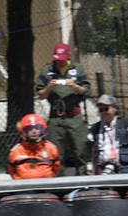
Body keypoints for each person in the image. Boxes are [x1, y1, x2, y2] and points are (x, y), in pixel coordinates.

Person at [34, 43, 91, 175]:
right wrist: (49, 87)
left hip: (74, 116)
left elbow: (86, 91)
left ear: (68, 56)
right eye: (57, 58)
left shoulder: (77, 69)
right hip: (56, 117)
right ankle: (59, 184)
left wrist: (75, 86)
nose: (59, 61)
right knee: (54, 152)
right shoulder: (47, 70)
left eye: (62, 58)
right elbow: (40, 95)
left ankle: (83, 181)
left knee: (80, 149)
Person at [89, 94, 128, 174]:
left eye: (106, 109)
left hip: (124, 169)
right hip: (102, 170)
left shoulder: (126, 125)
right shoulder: (95, 128)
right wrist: (93, 173)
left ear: (115, 109)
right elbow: (94, 153)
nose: (104, 112)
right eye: (101, 110)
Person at [7, 114, 60, 179]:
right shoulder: (16, 151)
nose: (34, 131)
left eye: (37, 128)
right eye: (30, 129)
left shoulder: (51, 149)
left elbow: (56, 168)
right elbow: (11, 171)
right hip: (23, 186)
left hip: (46, 186)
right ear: (24, 131)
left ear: (42, 130)